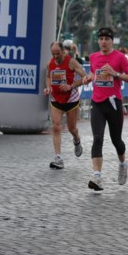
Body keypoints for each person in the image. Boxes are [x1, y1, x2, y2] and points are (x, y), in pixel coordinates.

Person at [81, 27, 128, 191]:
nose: (104, 41)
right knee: (97, 138)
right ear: (98, 41)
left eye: (107, 38)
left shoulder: (120, 58)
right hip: (97, 102)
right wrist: (88, 77)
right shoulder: (93, 57)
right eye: (101, 38)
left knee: (116, 140)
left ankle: (122, 163)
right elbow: (93, 72)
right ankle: (97, 176)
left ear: (112, 41)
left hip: (113, 103)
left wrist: (115, 74)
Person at [44, 42, 87, 170]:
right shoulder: (50, 63)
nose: (55, 57)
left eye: (58, 54)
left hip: (71, 100)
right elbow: (48, 76)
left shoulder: (71, 62)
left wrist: (71, 86)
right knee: (56, 127)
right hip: (56, 99)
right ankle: (58, 158)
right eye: (53, 54)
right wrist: (48, 88)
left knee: (72, 128)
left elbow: (85, 77)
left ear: (63, 51)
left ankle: (77, 140)